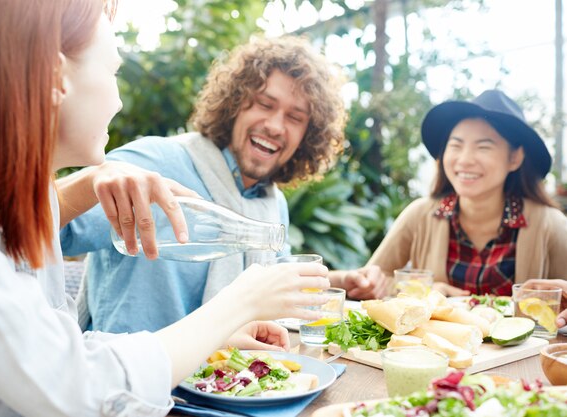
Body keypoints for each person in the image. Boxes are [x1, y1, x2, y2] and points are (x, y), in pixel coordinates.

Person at [0, 1, 332, 416]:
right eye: (113, 73)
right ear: (55, 76)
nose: (118, 103)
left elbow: (54, 345)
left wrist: (215, 337)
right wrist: (240, 302)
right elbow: (74, 384)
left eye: (295, 116)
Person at [60, 35, 353, 332]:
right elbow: (38, 229)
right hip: (131, 371)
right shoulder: (154, 163)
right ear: (236, 103)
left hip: (230, 375)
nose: (275, 126)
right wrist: (87, 180)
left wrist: (341, 281)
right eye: (265, 104)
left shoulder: (271, 203)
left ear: (308, 135)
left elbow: (278, 281)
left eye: (295, 117)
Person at [346, 89, 567, 298]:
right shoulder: (419, 214)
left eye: (483, 147)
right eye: (456, 145)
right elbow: (372, 279)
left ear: (514, 158)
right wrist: (423, 289)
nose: (465, 160)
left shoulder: (550, 224)